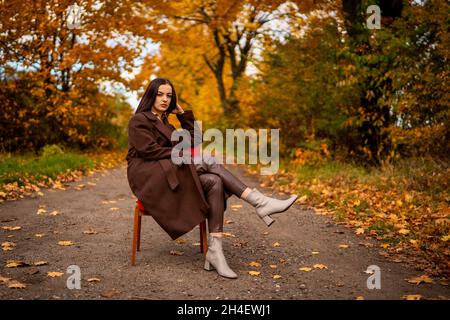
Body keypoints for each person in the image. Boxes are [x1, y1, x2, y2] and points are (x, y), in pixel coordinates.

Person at [126, 78, 298, 279]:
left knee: (214, 182)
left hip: (166, 170)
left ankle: (216, 251)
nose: (165, 99)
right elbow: (149, 151)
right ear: (151, 95)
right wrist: (183, 154)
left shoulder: (166, 123)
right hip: (148, 176)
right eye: (160, 94)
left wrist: (183, 115)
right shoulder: (139, 120)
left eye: (169, 95)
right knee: (205, 158)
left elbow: (194, 140)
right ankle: (260, 202)